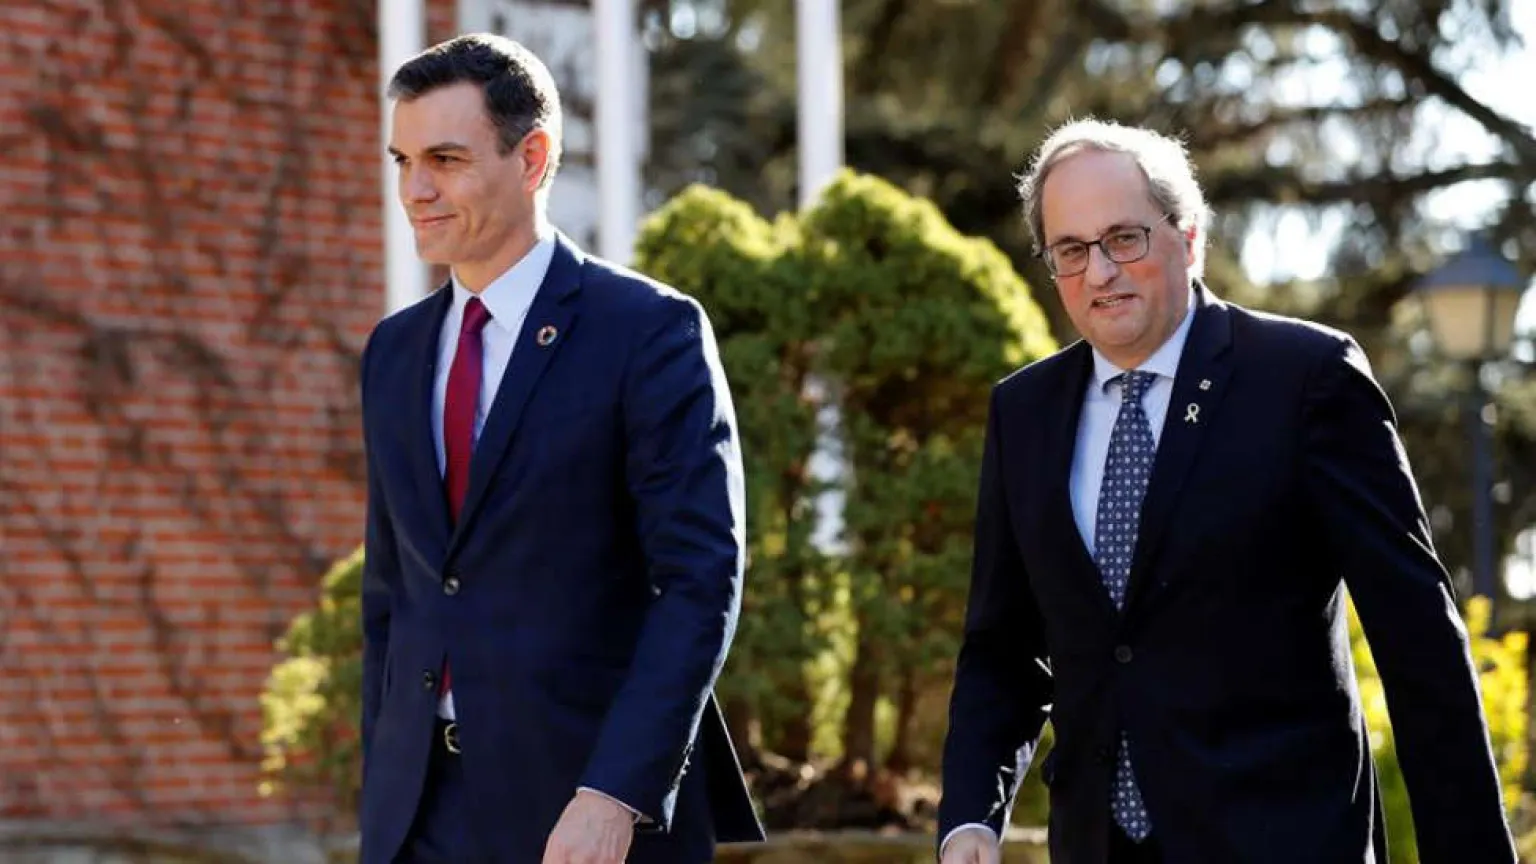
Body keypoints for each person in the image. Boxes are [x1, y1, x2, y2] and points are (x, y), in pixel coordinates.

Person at [936, 118, 1516, 864]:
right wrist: (970, 818)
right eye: (1071, 251)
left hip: (1286, 839)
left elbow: (1418, 639)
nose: (1100, 272)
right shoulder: (1024, 412)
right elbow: (1003, 649)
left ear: (1189, 239)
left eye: (1123, 239)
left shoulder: (1305, 378)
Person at [357, 33, 764, 864]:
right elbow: (391, 595)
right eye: (403, 161)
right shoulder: (393, 352)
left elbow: (699, 582)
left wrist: (616, 793)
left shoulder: (648, 332)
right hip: (418, 815)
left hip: (584, 811)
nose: (415, 189)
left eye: (445, 159)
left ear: (533, 158)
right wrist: (382, 789)